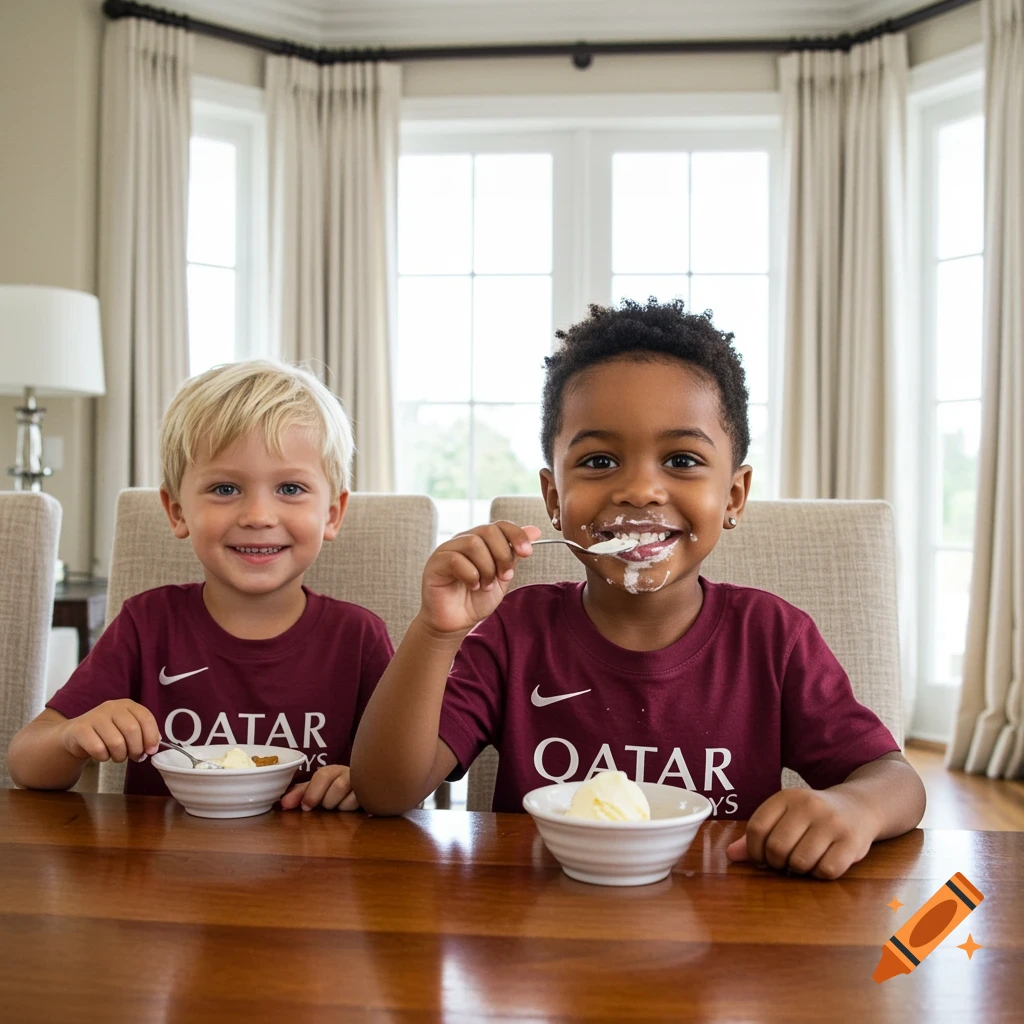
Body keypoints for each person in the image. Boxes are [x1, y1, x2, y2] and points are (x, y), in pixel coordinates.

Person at [352, 298, 926, 879]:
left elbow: (897, 781)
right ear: (554, 500)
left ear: (733, 495)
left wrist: (855, 806)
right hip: (541, 936)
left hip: (725, 939)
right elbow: (384, 789)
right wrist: (436, 632)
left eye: (681, 459)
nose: (641, 489)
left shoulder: (773, 639)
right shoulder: (515, 630)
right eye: (600, 461)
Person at [7, 360, 393, 811]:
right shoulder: (147, 624)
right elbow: (25, 762)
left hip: (316, 870)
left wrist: (361, 781)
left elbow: (403, 772)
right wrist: (72, 737)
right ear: (176, 511)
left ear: (332, 513)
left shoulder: (358, 637)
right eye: (226, 489)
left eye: (290, 489)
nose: (258, 516)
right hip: (162, 869)